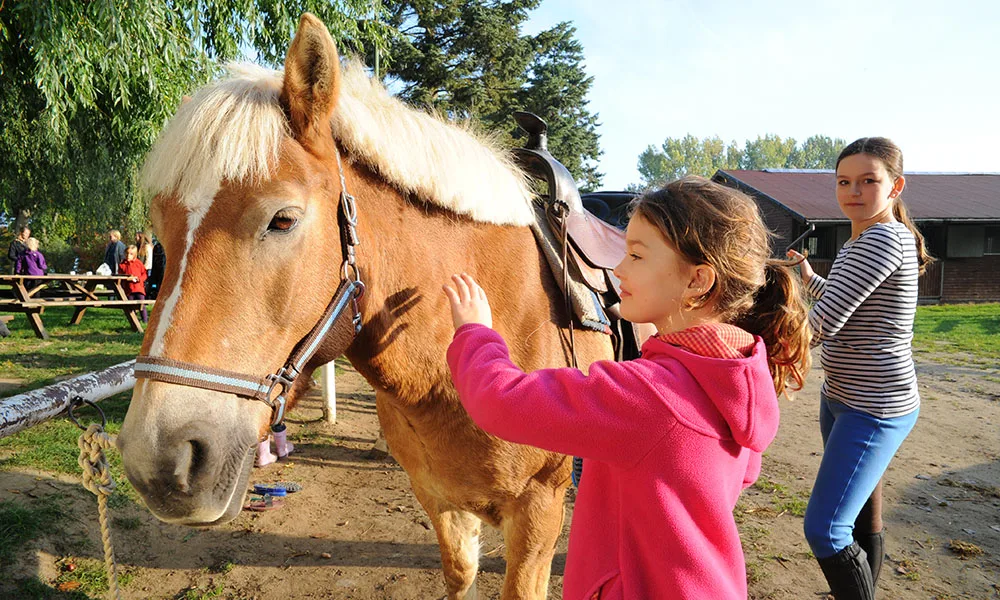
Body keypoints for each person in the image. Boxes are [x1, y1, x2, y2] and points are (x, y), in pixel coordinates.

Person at [443, 176, 811, 600]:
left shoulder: (647, 395)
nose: (619, 268)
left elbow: (498, 402)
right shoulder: (741, 375)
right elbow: (741, 475)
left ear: (697, 282)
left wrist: (474, 332)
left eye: (636, 255)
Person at [788, 137, 929, 600]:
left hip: (874, 406)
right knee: (861, 513)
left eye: (869, 180)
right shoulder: (867, 238)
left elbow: (823, 322)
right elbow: (840, 301)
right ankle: (861, 587)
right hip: (844, 397)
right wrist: (809, 278)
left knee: (825, 529)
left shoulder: (880, 239)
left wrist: (744, 343)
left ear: (895, 186)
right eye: (844, 181)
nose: (854, 190)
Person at [118, 244, 149, 323]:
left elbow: (144, 274)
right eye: (127, 253)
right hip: (129, 289)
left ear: (135, 255)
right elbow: (120, 276)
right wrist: (126, 278)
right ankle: (134, 321)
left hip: (139, 288)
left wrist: (139, 279)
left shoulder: (138, 263)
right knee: (131, 306)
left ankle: (145, 320)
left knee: (141, 304)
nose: (128, 256)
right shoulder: (122, 265)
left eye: (131, 254)